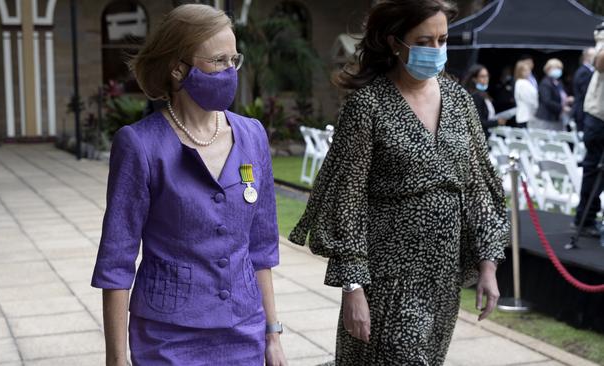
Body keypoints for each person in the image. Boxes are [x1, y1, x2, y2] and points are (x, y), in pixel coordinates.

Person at [288, 1, 509, 364]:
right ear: (395, 42)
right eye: (425, 41)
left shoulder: (459, 101)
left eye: (442, 40)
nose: (437, 50)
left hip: (442, 277)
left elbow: (479, 186)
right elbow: (348, 200)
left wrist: (488, 263)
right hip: (387, 278)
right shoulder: (367, 106)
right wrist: (353, 287)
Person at [90, 5, 287, 365]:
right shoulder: (140, 145)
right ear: (178, 68)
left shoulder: (252, 136)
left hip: (244, 332)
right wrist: (116, 361)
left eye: (234, 60)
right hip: (168, 339)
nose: (230, 71)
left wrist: (272, 335)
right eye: (218, 61)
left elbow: (260, 248)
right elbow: (116, 264)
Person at [574, 25, 604, 240]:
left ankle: (587, 217)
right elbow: (600, 62)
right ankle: (586, 218)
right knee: (593, 169)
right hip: (599, 117)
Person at [462, 64, 507, 137]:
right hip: (478, 137)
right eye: (482, 76)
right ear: (474, 79)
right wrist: (497, 122)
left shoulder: (483, 94)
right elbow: (478, 122)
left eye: (487, 76)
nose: (486, 79)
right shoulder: (475, 96)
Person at [532, 58, 572, 131]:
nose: (558, 70)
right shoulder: (545, 83)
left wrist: (567, 99)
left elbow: (560, 95)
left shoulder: (558, 82)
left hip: (557, 118)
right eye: (556, 68)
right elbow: (547, 101)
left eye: (559, 68)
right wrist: (562, 108)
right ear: (548, 69)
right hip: (547, 118)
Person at [571, 47, 596, 132]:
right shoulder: (584, 72)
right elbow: (586, 92)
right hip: (583, 111)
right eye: (593, 55)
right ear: (586, 57)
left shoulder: (588, 71)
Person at [514, 60, 538, 129]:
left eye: (529, 70)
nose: (529, 72)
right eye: (526, 70)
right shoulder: (521, 83)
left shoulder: (526, 82)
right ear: (520, 72)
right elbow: (529, 100)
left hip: (529, 116)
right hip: (525, 117)